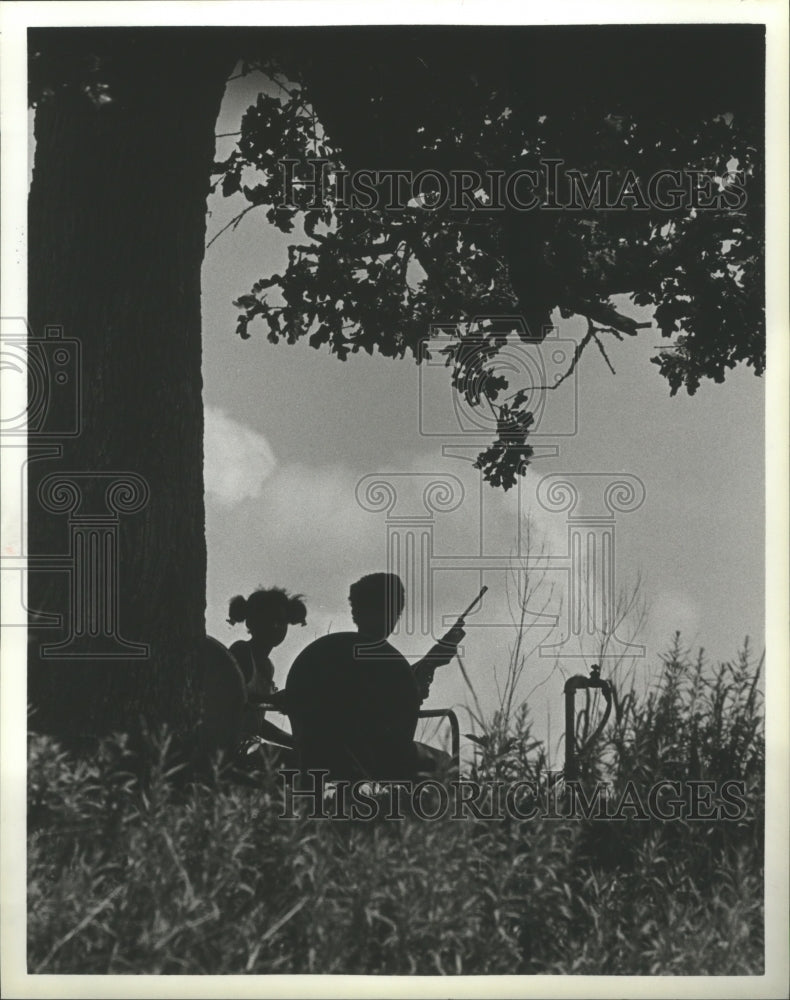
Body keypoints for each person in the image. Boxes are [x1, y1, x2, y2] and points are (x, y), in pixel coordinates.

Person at [282, 573, 464, 782]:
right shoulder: (393, 665)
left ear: (355, 613)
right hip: (380, 761)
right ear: (395, 613)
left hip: (316, 756)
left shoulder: (323, 654)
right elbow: (400, 726)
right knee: (445, 763)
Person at [227, 587, 307, 748]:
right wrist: (271, 700)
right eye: (268, 620)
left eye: (281, 621)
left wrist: (296, 743)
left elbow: (255, 723)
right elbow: (230, 702)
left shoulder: (267, 666)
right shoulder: (241, 651)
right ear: (252, 623)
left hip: (246, 744)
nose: (276, 627)